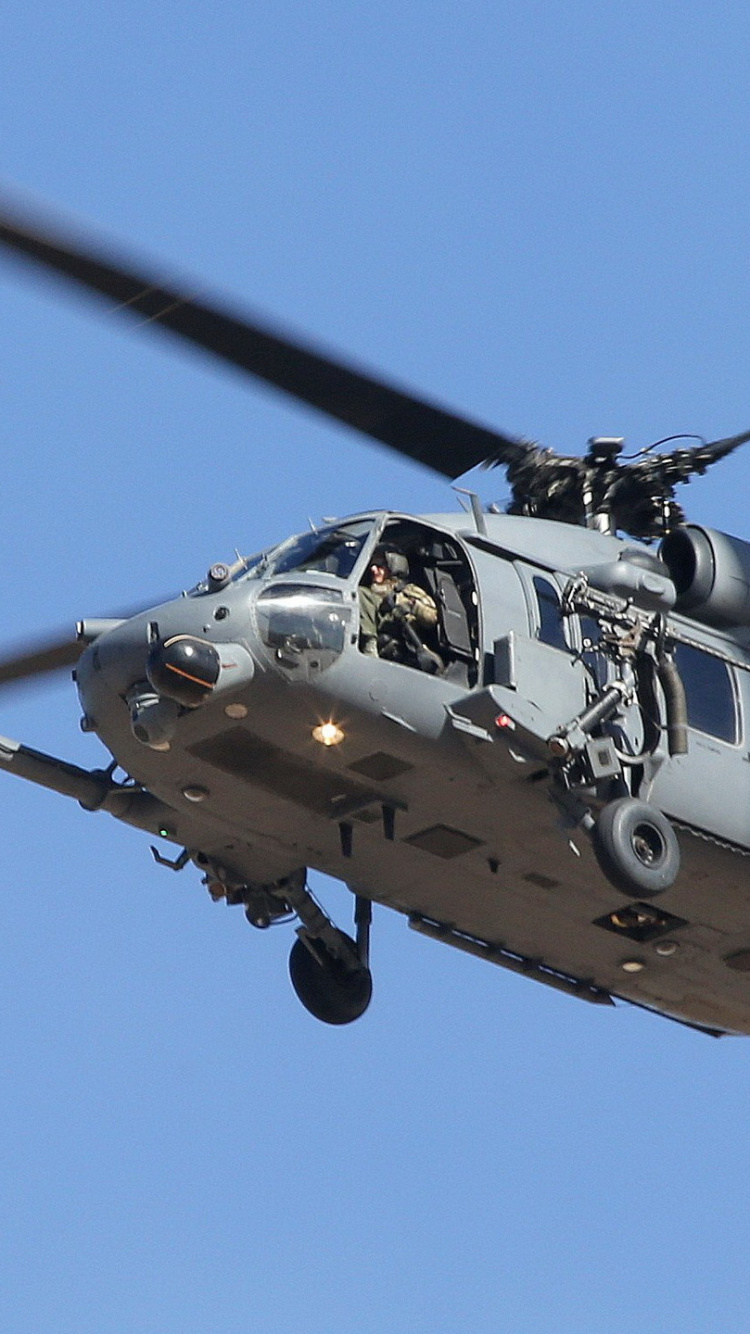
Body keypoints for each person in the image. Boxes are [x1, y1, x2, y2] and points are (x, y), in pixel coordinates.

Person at [359, 547, 442, 672]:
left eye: (379, 565)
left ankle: (370, 648)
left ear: (393, 564)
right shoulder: (368, 594)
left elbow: (432, 618)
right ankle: (369, 646)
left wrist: (408, 605)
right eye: (372, 565)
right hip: (381, 642)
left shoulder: (408, 590)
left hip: (404, 644)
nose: (373, 569)